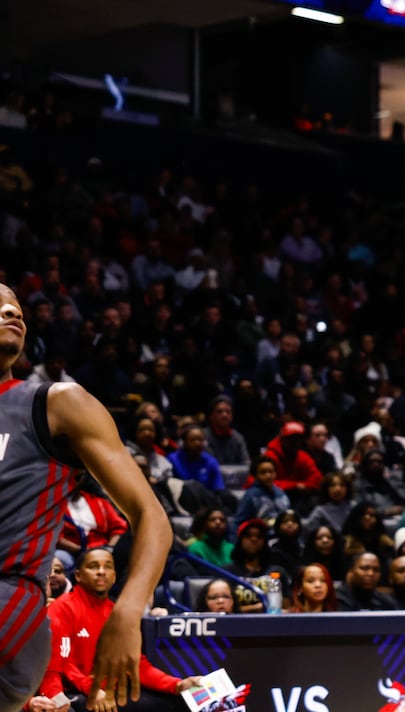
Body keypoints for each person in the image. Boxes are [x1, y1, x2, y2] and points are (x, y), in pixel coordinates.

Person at [0, 284, 174, 712]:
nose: (11, 312)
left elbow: (151, 516)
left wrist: (128, 612)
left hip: (11, 609)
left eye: (16, 307)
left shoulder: (56, 403)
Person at [38, 547, 203, 711]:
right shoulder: (62, 609)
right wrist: (91, 689)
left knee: (181, 700)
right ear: (79, 576)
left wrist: (177, 684)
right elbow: (61, 665)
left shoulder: (118, 614)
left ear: (114, 576)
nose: (101, 572)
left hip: (111, 691)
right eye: (94, 566)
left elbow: (137, 665)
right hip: (77, 692)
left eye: (107, 566)